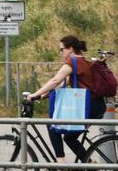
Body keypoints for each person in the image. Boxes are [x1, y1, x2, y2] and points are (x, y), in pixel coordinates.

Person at [26, 35, 106, 163]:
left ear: (71, 49)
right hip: (96, 106)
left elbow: (56, 80)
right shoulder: (84, 62)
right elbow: (63, 83)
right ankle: (90, 166)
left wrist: (33, 94)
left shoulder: (73, 62)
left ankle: (61, 162)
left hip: (88, 106)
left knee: (52, 124)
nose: (61, 53)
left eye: (62, 49)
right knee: (69, 138)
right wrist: (42, 96)